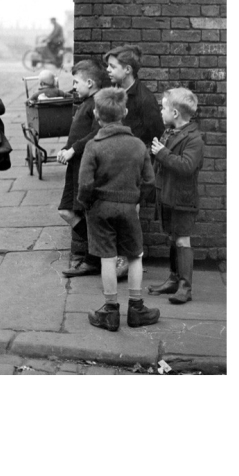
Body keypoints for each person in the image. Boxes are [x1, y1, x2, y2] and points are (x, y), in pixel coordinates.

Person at [76, 87, 160, 331]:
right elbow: (149, 182)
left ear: (96, 114)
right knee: (135, 256)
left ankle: (110, 312)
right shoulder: (137, 145)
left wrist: (87, 204)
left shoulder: (93, 146)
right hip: (128, 208)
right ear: (124, 111)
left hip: (100, 208)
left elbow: (85, 184)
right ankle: (136, 309)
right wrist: (136, 201)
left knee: (107, 258)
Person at [104, 44, 164, 278]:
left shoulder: (143, 99)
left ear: (127, 69)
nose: (108, 70)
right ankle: (126, 258)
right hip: (116, 163)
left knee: (131, 212)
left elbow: (157, 135)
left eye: (112, 66)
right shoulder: (116, 91)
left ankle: (129, 259)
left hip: (135, 166)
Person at [148, 87, 205, 304]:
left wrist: (161, 152)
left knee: (182, 241)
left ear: (174, 113)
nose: (161, 112)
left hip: (183, 200)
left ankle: (185, 287)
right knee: (173, 238)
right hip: (168, 195)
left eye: (163, 108)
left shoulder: (194, 139)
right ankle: (173, 279)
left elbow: (187, 166)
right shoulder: (169, 132)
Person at [56, 59, 106, 278]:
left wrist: (73, 150)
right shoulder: (86, 102)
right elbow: (79, 133)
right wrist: (66, 149)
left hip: (86, 167)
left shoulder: (98, 103)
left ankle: (94, 258)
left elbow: (96, 134)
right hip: (75, 166)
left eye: (76, 82)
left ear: (90, 82)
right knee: (66, 211)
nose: (74, 86)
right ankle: (97, 254)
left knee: (88, 212)